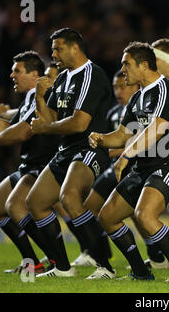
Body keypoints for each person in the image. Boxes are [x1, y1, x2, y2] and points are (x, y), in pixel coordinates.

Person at [88, 42, 169, 282]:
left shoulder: (166, 89)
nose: (122, 69)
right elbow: (123, 134)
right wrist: (102, 139)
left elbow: (157, 129)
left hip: (167, 164)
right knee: (108, 216)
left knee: (145, 215)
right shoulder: (137, 97)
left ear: (144, 65)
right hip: (142, 167)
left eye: (127, 64)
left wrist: (126, 155)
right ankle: (141, 273)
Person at [27, 28, 114, 278]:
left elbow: (79, 123)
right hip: (66, 149)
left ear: (75, 48)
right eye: (53, 49)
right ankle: (63, 267)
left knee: (70, 197)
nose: (53, 54)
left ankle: (104, 266)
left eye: (58, 48)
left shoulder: (91, 75)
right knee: (36, 202)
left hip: (89, 147)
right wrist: (40, 97)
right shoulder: (64, 77)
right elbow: (49, 120)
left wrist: (46, 127)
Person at [0, 51, 58, 274]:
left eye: (17, 71)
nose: (12, 75)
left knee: (15, 206)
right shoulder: (30, 97)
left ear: (34, 74)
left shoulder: (43, 96)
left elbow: (20, 134)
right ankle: (33, 262)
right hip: (28, 165)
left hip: (44, 165)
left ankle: (58, 263)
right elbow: (8, 131)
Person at [72, 71, 139, 270]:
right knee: (89, 206)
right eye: (115, 87)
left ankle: (156, 256)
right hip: (113, 168)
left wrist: (107, 150)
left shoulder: (139, 109)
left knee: (140, 215)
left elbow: (138, 141)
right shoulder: (112, 113)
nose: (118, 91)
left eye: (122, 86)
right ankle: (96, 252)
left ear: (134, 86)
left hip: (133, 166)